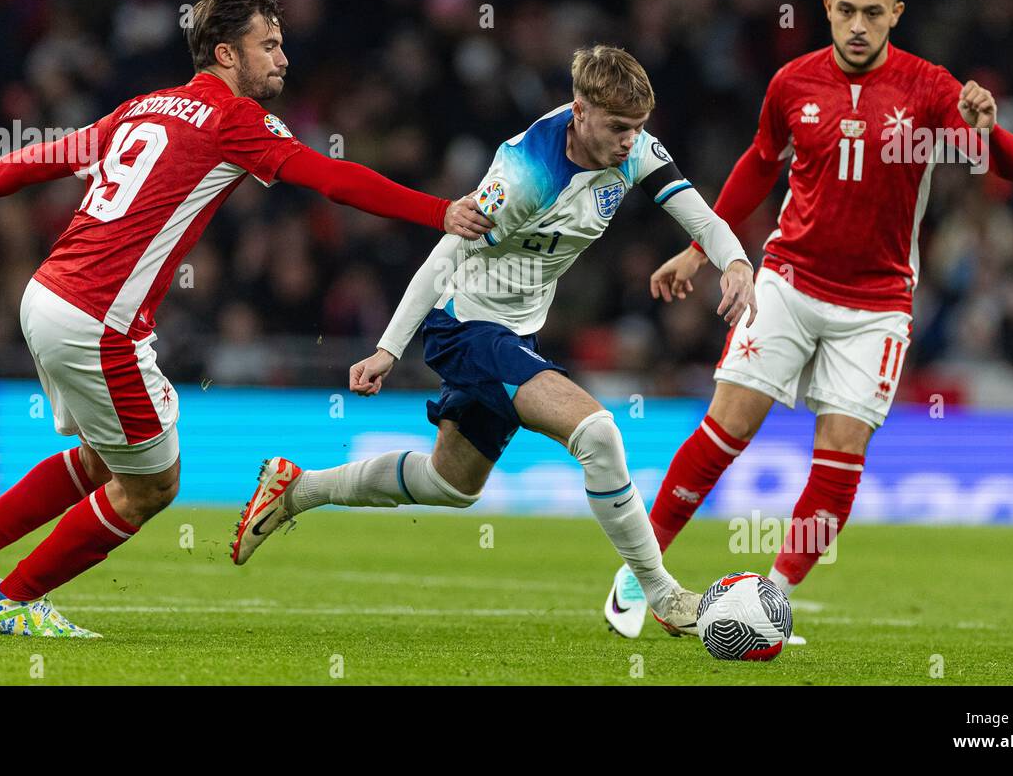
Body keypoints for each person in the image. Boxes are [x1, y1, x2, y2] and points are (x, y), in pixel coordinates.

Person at [0, 0, 492, 638]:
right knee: (155, 484)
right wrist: (439, 209)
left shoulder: (147, 105)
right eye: (267, 45)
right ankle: (12, 598)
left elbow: (51, 155)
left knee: (107, 459)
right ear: (224, 54)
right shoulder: (234, 119)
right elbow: (332, 179)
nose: (282, 58)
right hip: (99, 320)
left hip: (46, 295)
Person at [231, 45, 757, 637]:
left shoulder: (634, 148)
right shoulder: (521, 174)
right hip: (466, 324)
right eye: (617, 128)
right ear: (579, 110)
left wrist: (734, 262)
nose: (630, 142)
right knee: (599, 434)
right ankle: (663, 594)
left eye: (637, 129)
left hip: (518, 327)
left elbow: (703, 219)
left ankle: (297, 489)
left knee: (452, 484)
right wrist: (388, 348)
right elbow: (444, 253)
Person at [604, 0, 1013, 640]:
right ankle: (638, 576)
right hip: (790, 280)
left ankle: (767, 602)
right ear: (827, 8)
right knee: (726, 427)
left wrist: (991, 127)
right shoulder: (791, 82)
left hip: (878, 304)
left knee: (839, 453)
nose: (858, 26)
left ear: (897, 15)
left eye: (873, 13)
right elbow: (757, 164)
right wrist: (698, 246)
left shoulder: (929, 88)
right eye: (846, 11)